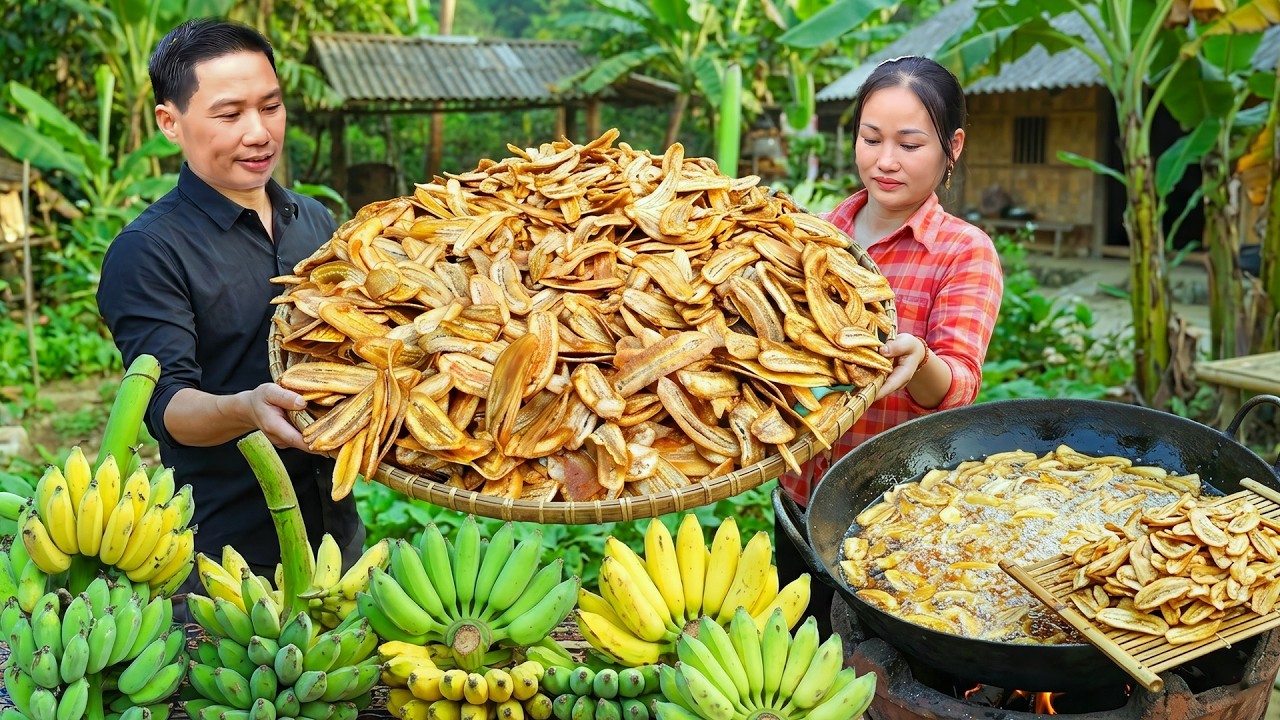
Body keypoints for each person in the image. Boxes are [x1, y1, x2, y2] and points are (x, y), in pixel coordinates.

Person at [97, 18, 364, 595]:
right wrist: (246, 407)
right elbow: (166, 406)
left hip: (340, 541)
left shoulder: (314, 220)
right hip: (224, 560)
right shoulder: (147, 251)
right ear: (171, 121)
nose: (259, 133)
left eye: (270, 107)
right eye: (229, 114)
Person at [775, 56, 1004, 633]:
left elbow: (958, 386)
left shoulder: (962, 252)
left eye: (909, 144)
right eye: (870, 138)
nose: (885, 161)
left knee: (882, 681)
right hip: (798, 499)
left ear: (952, 146)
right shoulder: (810, 236)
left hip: (897, 518)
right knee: (795, 668)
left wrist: (920, 359)